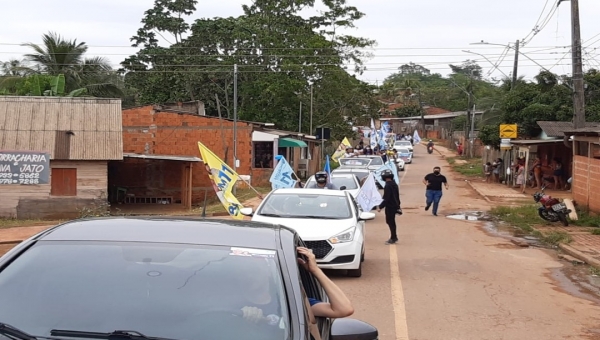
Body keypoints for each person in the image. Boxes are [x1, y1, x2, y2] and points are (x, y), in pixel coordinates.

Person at [238, 247, 353, 340]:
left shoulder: (291, 300)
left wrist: (315, 271)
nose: (249, 276)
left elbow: (344, 309)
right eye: (244, 272)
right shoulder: (232, 303)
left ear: (268, 272)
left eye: (254, 270)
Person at [376, 169, 401, 245]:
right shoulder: (394, 184)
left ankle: (393, 237)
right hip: (395, 205)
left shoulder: (387, 185)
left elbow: (386, 198)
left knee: (390, 222)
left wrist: (380, 207)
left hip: (390, 206)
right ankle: (394, 236)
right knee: (391, 222)